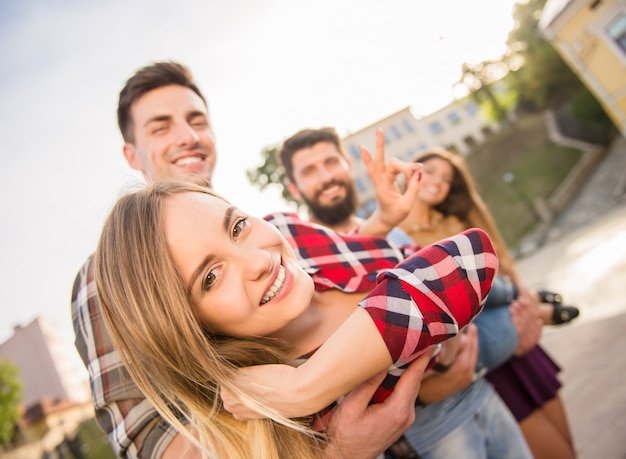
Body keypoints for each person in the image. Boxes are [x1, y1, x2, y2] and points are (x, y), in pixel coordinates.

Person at [70, 61, 429, 459]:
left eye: (197, 121)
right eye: (161, 127)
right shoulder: (109, 279)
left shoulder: (255, 227)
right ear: (131, 154)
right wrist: (336, 452)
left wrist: (381, 222)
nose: (188, 137)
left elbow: (328, 274)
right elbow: (151, 440)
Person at [94, 179, 498, 458]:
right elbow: (467, 261)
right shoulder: (280, 409)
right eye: (211, 277)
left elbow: (451, 255)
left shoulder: (287, 230)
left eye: (236, 226)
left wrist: (305, 386)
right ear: (189, 329)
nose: (258, 260)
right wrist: (305, 391)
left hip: (480, 373)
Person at [278, 126, 537, 459]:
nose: (326, 176)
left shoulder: (394, 232)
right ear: (293, 187)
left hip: (482, 395)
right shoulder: (295, 267)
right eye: (310, 170)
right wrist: (432, 384)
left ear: (347, 164)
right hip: (434, 435)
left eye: (331, 162)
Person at [397, 148, 577, 459]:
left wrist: (528, 307)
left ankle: (541, 309)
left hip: (513, 334)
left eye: (447, 179)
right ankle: (546, 310)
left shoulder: (455, 221)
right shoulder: (394, 240)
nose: (438, 182)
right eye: (431, 171)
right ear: (411, 172)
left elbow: (499, 270)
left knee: (568, 449)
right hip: (482, 358)